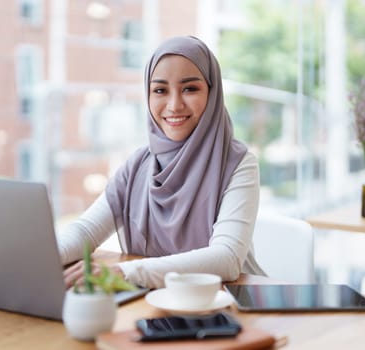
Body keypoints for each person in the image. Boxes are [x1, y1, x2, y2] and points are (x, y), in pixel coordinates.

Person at [59, 36, 265, 289]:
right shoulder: (138, 166)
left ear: (212, 93)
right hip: (157, 302)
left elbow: (227, 258)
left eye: (190, 88)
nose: (174, 105)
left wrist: (125, 272)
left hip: (232, 303)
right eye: (160, 90)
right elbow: (86, 231)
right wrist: (44, 258)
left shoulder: (238, 164)